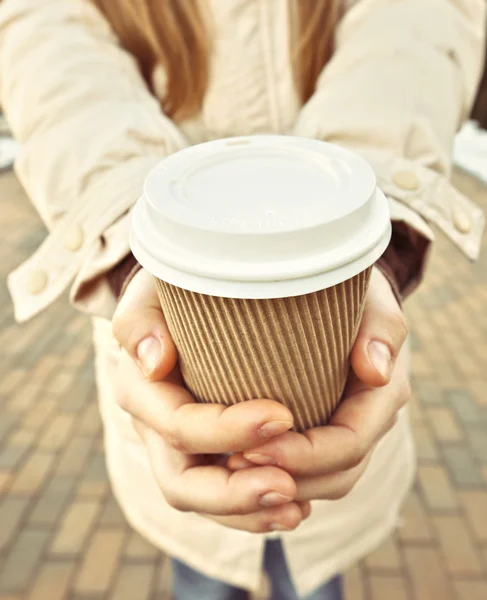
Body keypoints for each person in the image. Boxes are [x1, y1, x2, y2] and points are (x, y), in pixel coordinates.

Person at [1, 1, 485, 598]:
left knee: (314, 577)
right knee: (204, 576)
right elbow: (49, 44)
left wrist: (372, 230)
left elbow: (415, 26)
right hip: (169, 429)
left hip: (344, 443)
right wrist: (135, 236)